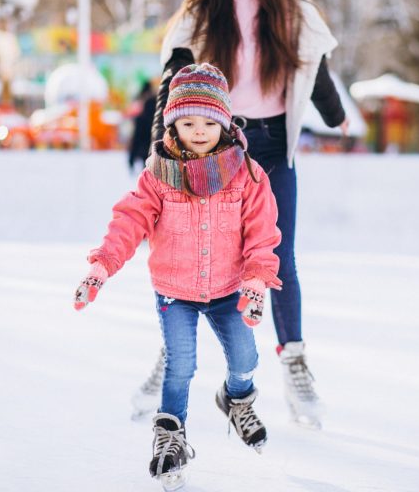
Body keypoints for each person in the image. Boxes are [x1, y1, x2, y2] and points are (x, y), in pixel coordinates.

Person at [131, 0, 349, 428]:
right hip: (211, 144)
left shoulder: (293, 8)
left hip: (270, 143)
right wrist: (160, 146)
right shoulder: (201, 7)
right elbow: (173, 79)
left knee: (278, 255)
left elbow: (315, 66)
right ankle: (170, 354)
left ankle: (294, 361)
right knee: (191, 253)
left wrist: (335, 114)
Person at [74, 63, 282, 487]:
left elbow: (262, 232)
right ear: (172, 123)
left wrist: (258, 278)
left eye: (209, 122)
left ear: (224, 123)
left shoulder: (247, 175)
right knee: (180, 366)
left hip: (230, 289)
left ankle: (237, 399)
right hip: (175, 291)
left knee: (246, 358)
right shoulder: (158, 176)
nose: (199, 130)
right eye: (188, 122)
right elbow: (129, 222)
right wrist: (102, 265)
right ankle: (171, 436)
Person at [127, 80, 157, 173]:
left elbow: (136, 139)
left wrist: (131, 159)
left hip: (143, 149)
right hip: (152, 150)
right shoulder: (157, 121)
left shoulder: (141, 119)